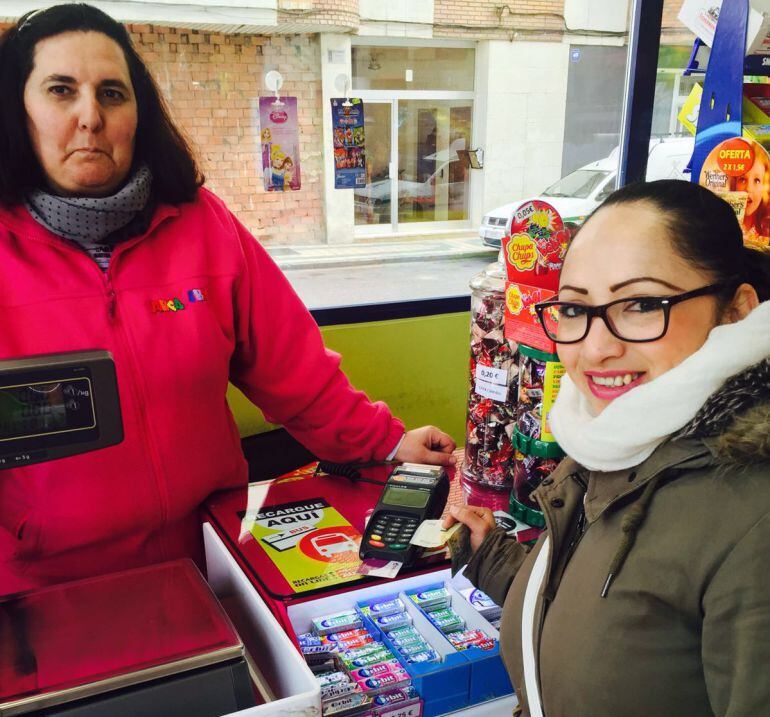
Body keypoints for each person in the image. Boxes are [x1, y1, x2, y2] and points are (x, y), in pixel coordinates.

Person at [0, 4, 456, 596]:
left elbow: (296, 371)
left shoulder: (202, 225)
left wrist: (388, 443)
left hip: (213, 561)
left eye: (112, 93)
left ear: (137, 113)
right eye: (61, 90)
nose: (90, 116)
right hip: (46, 592)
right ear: (19, 109)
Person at [446, 180, 770, 716]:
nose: (596, 349)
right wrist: (494, 558)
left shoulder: (752, 519)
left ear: (735, 310)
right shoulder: (618, 438)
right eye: (574, 310)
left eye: (641, 304)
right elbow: (626, 619)